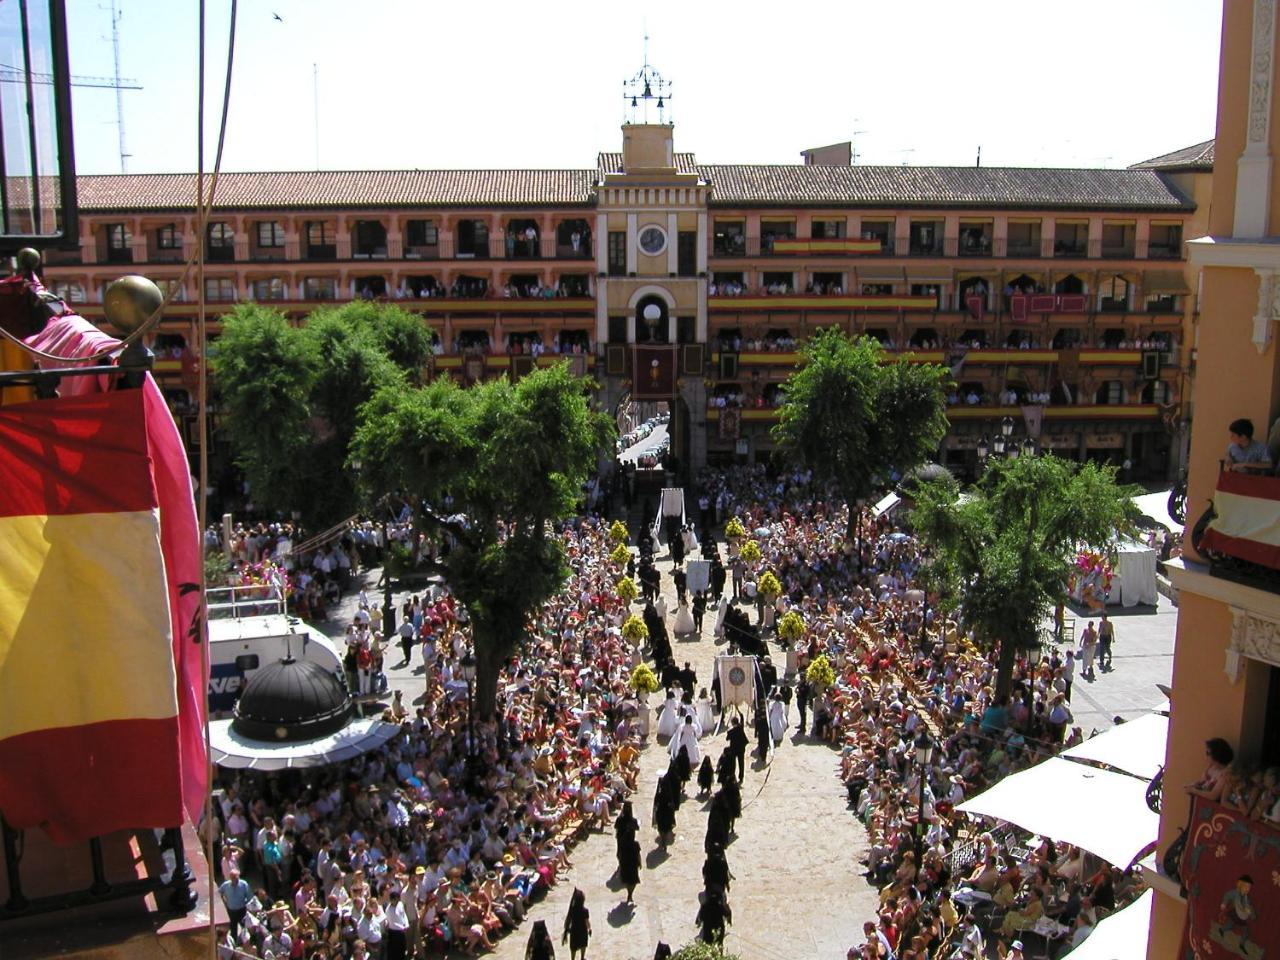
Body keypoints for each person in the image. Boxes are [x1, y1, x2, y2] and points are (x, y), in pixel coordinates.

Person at [218, 867, 252, 941]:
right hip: (231, 911)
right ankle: (234, 943)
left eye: (236, 878)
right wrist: (224, 902)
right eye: (233, 878)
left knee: (244, 928)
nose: (234, 880)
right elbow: (219, 893)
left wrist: (249, 908)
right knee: (233, 929)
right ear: (230, 878)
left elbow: (249, 897)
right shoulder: (225, 885)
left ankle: (245, 942)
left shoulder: (244, 884)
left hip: (242, 910)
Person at [562, 888, 591, 960]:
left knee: (573, 947)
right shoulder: (585, 911)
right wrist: (589, 929)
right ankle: (582, 957)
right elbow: (586, 921)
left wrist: (567, 929)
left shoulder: (572, 910)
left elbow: (568, 920)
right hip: (582, 931)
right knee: (583, 944)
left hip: (574, 931)